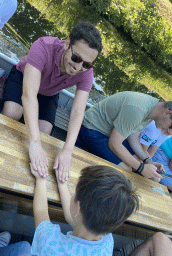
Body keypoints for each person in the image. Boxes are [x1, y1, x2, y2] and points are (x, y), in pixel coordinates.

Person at [1, 21, 103, 183]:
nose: (78, 67)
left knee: (44, 132)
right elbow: (29, 95)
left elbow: (77, 112)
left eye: (87, 64)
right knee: (12, 113)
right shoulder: (43, 46)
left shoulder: (86, 72)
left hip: (49, 93)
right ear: (67, 44)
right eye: (76, 58)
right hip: (24, 79)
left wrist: (67, 150)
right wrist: (34, 143)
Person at [76, 91, 172, 180]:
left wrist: (147, 161)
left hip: (108, 134)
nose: (169, 133)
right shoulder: (138, 109)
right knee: (125, 169)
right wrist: (141, 168)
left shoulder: (154, 110)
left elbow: (133, 136)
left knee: (142, 167)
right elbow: (114, 144)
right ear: (168, 113)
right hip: (91, 129)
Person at [30, 164, 139, 255]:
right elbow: (74, 217)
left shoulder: (48, 242)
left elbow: (41, 211)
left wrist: (41, 179)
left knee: (24, 247)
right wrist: (62, 184)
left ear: (78, 207)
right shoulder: (107, 242)